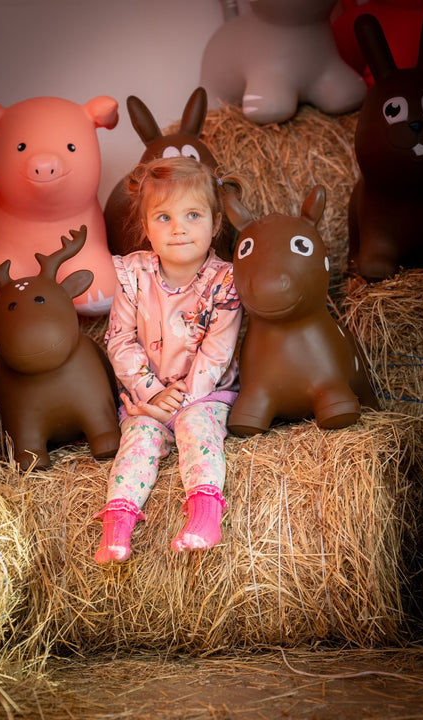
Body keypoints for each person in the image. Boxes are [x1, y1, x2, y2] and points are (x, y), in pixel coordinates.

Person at [93, 155, 245, 564]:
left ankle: (205, 514)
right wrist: (152, 396)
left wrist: (179, 401)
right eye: (163, 217)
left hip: (205, 395)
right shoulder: (133, 275)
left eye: (192, 215)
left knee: (198, 429)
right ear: (145, 228)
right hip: (147, 398)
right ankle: (117, 526)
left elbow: (217, 350)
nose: (178, 228)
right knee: (138, 439)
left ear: (215, 225)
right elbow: (120, 340)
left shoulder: (225, 281)